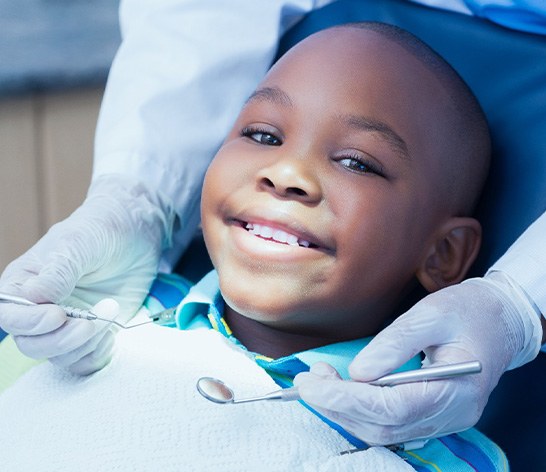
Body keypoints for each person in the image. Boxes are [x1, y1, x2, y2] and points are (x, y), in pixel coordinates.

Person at [0, 0, 544, 447]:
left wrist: (519, 304)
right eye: (263, 135)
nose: (286, 174)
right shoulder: (83, 327)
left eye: (357, 162)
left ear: (443, 254)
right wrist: (138, 196)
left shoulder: (426, 436)